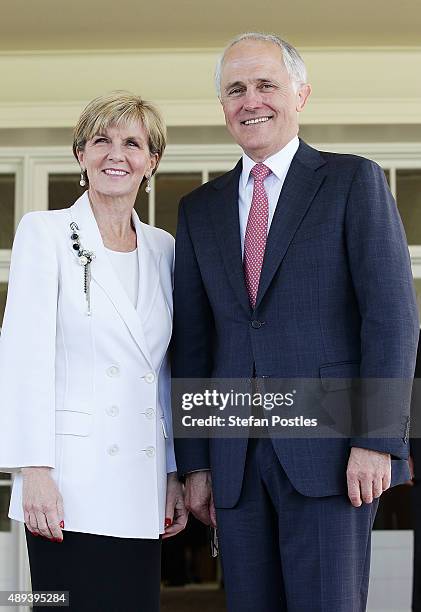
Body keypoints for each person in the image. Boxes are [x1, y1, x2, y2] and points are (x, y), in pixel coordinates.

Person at [172, 33, 419, 611]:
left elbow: (392, 318)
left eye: (266, 85)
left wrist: (375, 441)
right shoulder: (199, 209)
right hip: (235, 458)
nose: (250, 99)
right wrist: (197, 462)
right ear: (223, 108)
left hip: (332, 453)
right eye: (235, 89)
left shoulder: (353, 181)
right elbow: (194, 345)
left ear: (300, 94)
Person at [0, 91, 187, 611]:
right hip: (67, 485)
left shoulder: (165, 248)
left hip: (140, 484)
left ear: (151, 162)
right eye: (101, 140)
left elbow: (165, 370)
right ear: (81, 154)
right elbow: (22, 357)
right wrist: (32, 470)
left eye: (132, 143)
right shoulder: (46, 232)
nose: (115, 154)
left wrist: (173, 471)